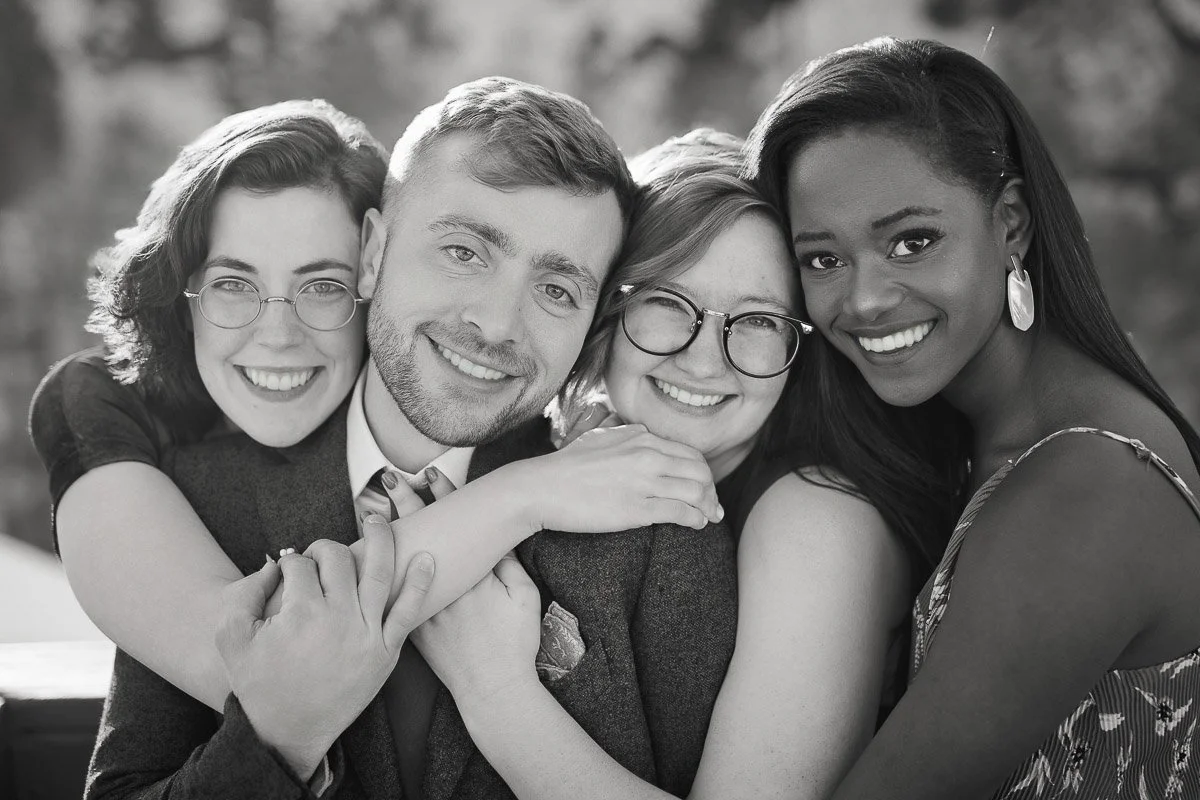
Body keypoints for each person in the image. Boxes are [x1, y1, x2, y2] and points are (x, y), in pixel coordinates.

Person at [71, 78, 740, 800]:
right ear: (370, 252)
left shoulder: (659, 522)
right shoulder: (199, 506)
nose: (496, 325)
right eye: (464, 252)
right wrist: (275, 749)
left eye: (556, 290)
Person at [385, 129, 947, 800]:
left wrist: (495, 689)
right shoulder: (578, 454)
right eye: (667, 304)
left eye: (759, 321)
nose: (705, 360)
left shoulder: (817, 519)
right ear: (607, 309)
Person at [744, 36, 1200, 799]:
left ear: (1011, 223)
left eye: (912, 241)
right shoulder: (972, 434)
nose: (863, 300)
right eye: (824, 258)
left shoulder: (1086, 489)